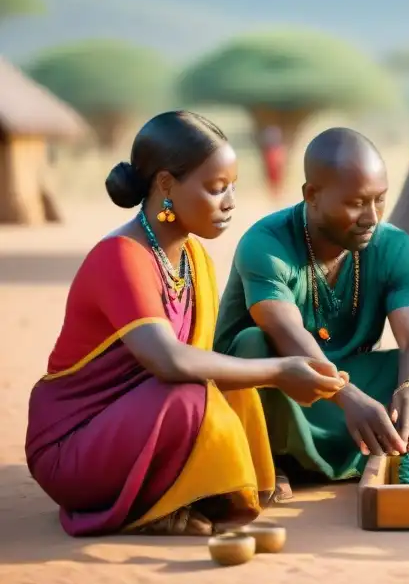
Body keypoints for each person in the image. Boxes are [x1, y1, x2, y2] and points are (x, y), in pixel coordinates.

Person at [24, 111, 347, 537]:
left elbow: (199, 363)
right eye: (216, 189)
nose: (230, 201)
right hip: (75, 446)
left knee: (226, 382)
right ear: (165, 185)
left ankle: (200, 490)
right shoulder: (121, 257)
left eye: (233, 186)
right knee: (191, 392)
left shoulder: (195, 261)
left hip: (140, 421)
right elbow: (170, 362)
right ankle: (156, 505)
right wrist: (278, 373)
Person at [214, 127, 409, 495]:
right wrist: (347, 396)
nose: (371, 217)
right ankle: (265, 459)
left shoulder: (394, 247)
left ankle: (374, 451)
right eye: (356, 203)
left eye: (380, 200)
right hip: (275, 387)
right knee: (256, 344)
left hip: (343, 382)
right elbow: (286, 334)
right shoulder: (266, 243)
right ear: (312, 195)